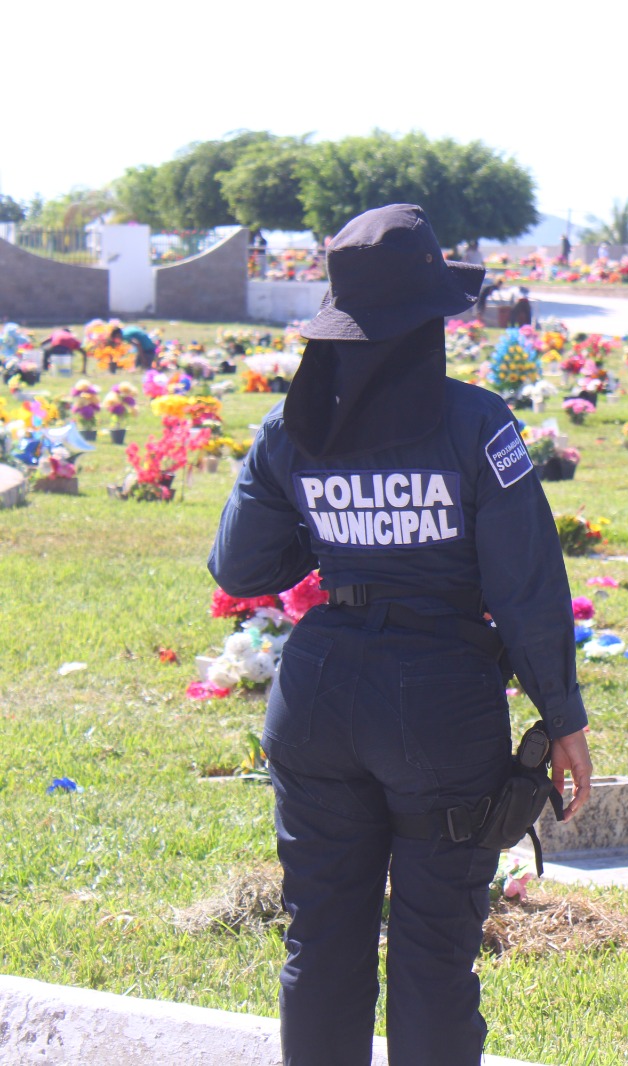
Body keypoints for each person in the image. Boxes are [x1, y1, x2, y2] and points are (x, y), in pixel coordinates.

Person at [209, 204, 592, 1066]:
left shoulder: (294, 426)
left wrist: (296, 477)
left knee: (322, 942)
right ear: (432, 320)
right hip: (439, 704)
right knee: (432, 952)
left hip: (317, 693)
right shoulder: (474, 423)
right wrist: (563, 719)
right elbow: (525, 584)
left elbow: (240, 569)